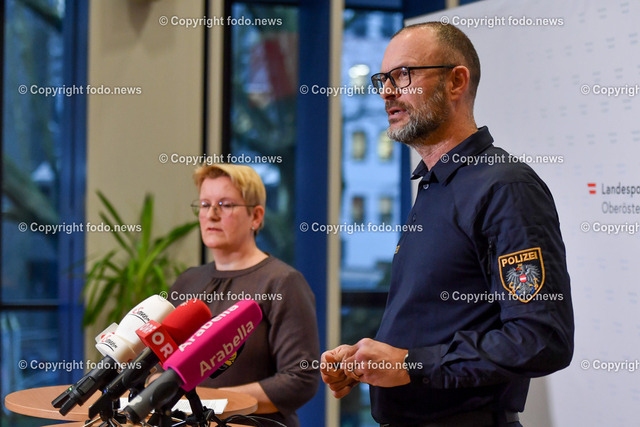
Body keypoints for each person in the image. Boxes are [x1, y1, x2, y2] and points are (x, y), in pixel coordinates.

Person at [321, 22, 574, 427]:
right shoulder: (434, 186)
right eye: (383, 79)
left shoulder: (505, 187)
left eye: (404, 75)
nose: (387, 91)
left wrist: (412, 364)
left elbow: (542, 338)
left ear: (456, 81)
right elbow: (437, 325)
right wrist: (370, 361)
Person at [168, 163, 320, 426]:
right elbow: (161, 365)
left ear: (256, 217)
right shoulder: (187, 282)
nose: (211, 215)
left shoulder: (282, 283)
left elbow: (300, 379)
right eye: (204, 204)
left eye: (225, 205)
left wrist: (210, 402)